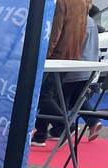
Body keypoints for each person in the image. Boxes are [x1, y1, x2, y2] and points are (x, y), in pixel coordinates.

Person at [32, 0, 88, 146]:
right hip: (70, 55)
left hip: (56, 57)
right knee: (50, 96)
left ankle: (64, 125)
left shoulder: (61, 3)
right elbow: (82, 31)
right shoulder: (82, 3)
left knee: (43, 95)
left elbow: (54, 33)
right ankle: (40, 134)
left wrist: (44, 56)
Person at [61, 0, 100, 139]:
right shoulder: (92, 22)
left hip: (74, 66)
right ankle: (93, 122)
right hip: (88, 67)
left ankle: (62, 128)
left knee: (62, 99)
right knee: (77, 98)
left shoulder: (76, 20)